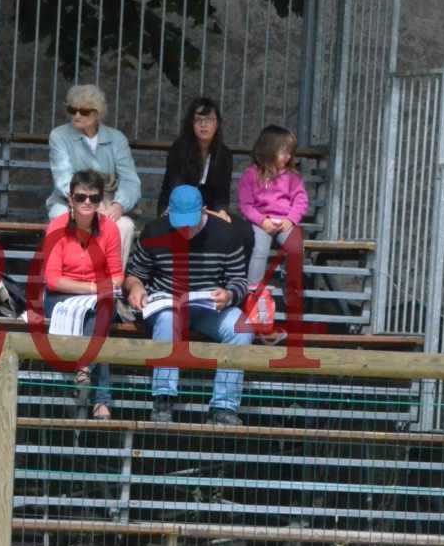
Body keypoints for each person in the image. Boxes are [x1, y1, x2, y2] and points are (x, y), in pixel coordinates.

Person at [124, 184, 253, 426]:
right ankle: (163, 398)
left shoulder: (227, 235)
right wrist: (136, 287)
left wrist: (228, 295)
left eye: (190, 222)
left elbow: (239, 281)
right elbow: (134, 274)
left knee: (240, 327)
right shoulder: (154, 232)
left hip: (209, 306)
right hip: (167, 304)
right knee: (167, 319)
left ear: (204, 211)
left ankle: (224, 406)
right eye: (179, 222)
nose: (185, 229)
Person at [38, 169, 124, 420]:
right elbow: (53, 280)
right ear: (70, 199)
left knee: (101, 312)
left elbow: (117, 275)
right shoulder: (57, 226)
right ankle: (101, 400)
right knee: (100, 317)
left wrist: (99, 290)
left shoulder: (110, 229)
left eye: (94, 198)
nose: (87, 202)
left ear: (101, 202)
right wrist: (93, 288)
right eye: (81, 197)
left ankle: (84, 366)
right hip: (62, 297)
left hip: (96, 300)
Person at [46, 84, 140, 265]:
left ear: (98, 114)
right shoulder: (59, 136)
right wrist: (87, 203)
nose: (77, 116)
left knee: (124, 226)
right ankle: (72, 279)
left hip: (107, 202)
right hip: (71, 201)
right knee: (61, 221)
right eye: (72, 110)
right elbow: (63, 177)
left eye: (84, 111)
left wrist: (119, 205)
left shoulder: (117, 138)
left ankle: (111, 282)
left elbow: (130, 180)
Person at [237, 125, 308, 290]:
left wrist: (291, 219)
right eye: (284, 152)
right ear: (269, 150)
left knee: (295, 248)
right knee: (259, 249)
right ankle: (253, 287)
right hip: (261, 222)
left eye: (290, 152)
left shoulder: (292, 177)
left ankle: (292, 286)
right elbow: (246, 205)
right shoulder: (251, 174)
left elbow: (301, 200)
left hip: (285, 222)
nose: (288, 156)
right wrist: (262, 221)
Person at [156, 97, 233, 222]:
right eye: (198, 120)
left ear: (217, 123)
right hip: (178, 207)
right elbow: (176, 186)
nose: (203, 124)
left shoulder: (224, 154)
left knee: (239, 230)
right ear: (191, 124)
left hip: (210, 211)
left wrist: (222, 211)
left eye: (209, 119)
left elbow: (222, 193)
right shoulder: (179, 149)